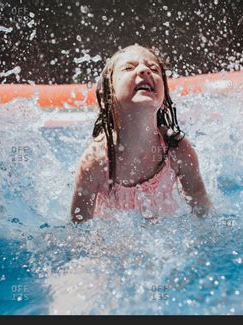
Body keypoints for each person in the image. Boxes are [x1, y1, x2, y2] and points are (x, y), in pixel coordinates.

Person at [71, 44, 211, 223]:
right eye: (129, 68)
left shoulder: (177, 148)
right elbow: (79, 228)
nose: (144, 70)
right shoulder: (95, 161)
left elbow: (200, 203)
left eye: (153, 68)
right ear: (108, 95)